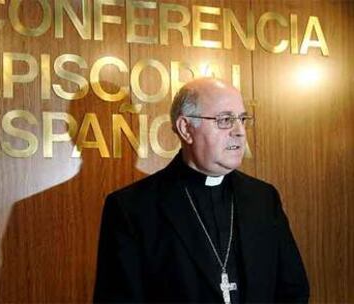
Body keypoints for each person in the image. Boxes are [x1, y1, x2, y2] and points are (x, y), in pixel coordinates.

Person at [93, 78, 309, 303]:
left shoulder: (263, 198)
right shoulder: (132, 208)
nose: (240, 132)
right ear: (186, 128)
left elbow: (293, 290)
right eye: (225, 120)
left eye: (243, 119)